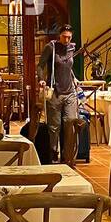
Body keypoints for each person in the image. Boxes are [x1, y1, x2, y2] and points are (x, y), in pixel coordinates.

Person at [37, 24, 80, 160]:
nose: (66, 40)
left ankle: (68, 154)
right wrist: (41, 79)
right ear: (59, 35)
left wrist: (74, 78)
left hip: (70, 92)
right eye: (64, 37)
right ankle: (53, 153)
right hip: (55, 92)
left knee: (70, 122)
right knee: (54, 126)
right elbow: (40, 65)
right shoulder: (51, 47)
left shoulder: (72, 47)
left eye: (69, 37)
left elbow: (67, 66)